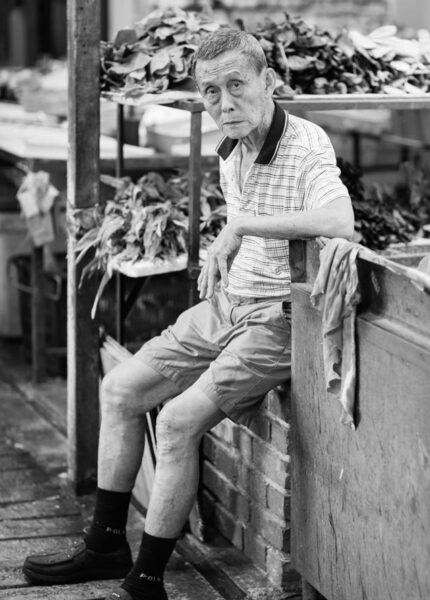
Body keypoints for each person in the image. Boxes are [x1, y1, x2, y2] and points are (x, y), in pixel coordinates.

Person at [23, 27, 354, 600]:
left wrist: (241, 228)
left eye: (236, 86)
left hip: (278, 320)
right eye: (210, 92)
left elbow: (338, 219)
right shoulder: (230, 145)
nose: (224, 104)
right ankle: (106, 543)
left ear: (268, 82)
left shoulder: (306, 143)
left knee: (176, 422)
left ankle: (146, 581)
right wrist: (229, 258)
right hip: (228, 306)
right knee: (121, 390)